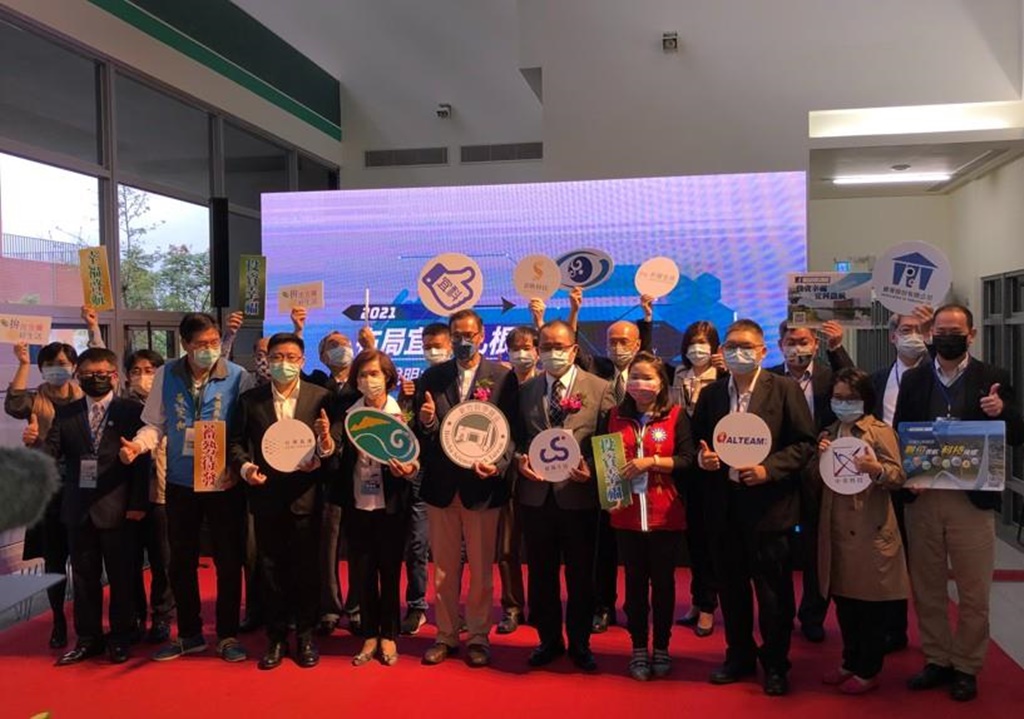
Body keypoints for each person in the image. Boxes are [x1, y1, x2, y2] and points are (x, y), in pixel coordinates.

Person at [895, 304, 1024, 702]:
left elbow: (1018, 433)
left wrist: (1003, 412)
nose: (947, 337)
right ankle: (937, 658)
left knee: (973, 590)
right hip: (925, 497)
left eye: (956, 331)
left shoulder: (993, 378)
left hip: (972, 499)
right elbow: (901, 432)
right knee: (927, 587)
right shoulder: (915, 379)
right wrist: (908, 476)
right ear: (931, 334)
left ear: (971, 335)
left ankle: (967, 665)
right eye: (941, 330)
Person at [119, 312, 254, 663]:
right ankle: (190, 634)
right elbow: (155, 424)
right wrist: (138, 446)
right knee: (180, 561)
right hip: (180, 482)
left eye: (214, 342)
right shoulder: (167, 375)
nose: (209, 349)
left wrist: (238, 467)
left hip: (223, 482)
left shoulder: (238, 376)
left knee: (228, 560)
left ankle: (227, 635)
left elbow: (246, 431)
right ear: (184, 344)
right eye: (201, 344)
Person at [692, 318, 815, 696]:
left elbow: (805, 443)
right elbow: (697, 441)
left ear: (763, 351)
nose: (738, 353)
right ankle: (739, 656)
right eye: (731, 347)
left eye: (746, 346)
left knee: (774, 593)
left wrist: (769, 469)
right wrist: (703, 459)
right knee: (732, 589)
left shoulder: (784, 389)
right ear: (722, 352)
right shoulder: (712, 394)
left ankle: (776, 663)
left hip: (770, 508)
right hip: (724, 507)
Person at [413, 310, 518, 668]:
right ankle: (445, 634)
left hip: (482, 487)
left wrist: (499, 465)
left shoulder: (502, 377)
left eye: (468, 335)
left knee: (481, 570)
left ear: (482, 335)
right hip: (442, 487)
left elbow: (511, 433)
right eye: (456, 335)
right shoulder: (432, 377)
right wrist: (427, 422)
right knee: (443, 569)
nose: (462, 341)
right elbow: (423, 434)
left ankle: (477, 636)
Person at [229, 332, 336, 670]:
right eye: (276, 357)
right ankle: (276, 638)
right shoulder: (251, 400)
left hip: (306, 496)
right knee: (270, 569)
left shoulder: (321, 397)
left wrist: (322, 451)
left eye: (290, 357)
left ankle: (305, 636)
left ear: (302, 361)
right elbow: (236, 443)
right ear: (266, 360)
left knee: (307, 569)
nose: (283, 363)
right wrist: (245, 468)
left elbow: (334, 445)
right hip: (266, 495)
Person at [516, 320, 614, 672]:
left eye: (559, 347)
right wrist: (520, 460)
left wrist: (594, 472)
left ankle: (580, 643)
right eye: (545, 347)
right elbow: (517, 438)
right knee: (541, 575)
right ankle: (548, 640)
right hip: (536, 496)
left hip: (579, 497)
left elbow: (608, 442)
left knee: (580, 576)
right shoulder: (526, 389)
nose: (552, 353)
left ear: (574, 350)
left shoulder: (600, 389)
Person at [45, 348, 151, 666]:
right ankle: (88, 639)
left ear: (114, 375)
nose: (95, 379)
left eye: (102, 373)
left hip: (119, 507)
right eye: (88, 374)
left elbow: (141, 463)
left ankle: (120, 637)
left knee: (122, 577)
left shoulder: (132, 411)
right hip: (78, 509)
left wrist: (137, 504)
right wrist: (34, 443)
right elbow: (51, 453)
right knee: (83, 578)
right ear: (78, 376)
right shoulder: (66, 412)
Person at [813, 368, 909, 694]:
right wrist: (819, 456)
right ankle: (849, 660)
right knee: (845, 603)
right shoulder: (829, 431)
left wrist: (876, 469)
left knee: (870, 607)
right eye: (838, 397)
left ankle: (868, 669)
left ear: (865, 399)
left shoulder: (879, 431)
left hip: (870, 526)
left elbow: (898, 476)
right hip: (836, 528)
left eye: (851, 398)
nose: (843, 403)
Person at [607, 351, 694, 681]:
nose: (640, 384)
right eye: (634, 377)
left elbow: (688, 460)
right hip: (626, 515)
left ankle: (662, 647)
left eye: (647, 378)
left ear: (661, 383)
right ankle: (638, 649)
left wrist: (652, 463)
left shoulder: (676, 416)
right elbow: (606, 460)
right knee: (634, 586)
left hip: (664, 514)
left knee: (663, 586)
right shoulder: (615, 416)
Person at [330, 349, 419, 665]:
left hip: (392, 504)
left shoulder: (403, 411)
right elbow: (336, 453)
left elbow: (417, 455)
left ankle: (389, 635)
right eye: (363, 375)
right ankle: (369, 634)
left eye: (375, 374)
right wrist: (328, 445)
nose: (369, 380)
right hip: (357, 504)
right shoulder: (348, 413)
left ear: (388, 378)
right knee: (363, 572)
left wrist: (409, 469)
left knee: (390, 571)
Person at [573, 290, 654, 634]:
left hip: (644, 464)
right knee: (605, 543)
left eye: (624, 341)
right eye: (612, 341)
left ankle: (639, 606)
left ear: (637, 345)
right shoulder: (599, 369)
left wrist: (647, 319)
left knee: (641, 545)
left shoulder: (648, 374)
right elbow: (574, 351)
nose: (617, 347)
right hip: (606, 461)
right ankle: (603, 605)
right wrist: (574, 312)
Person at [767, 320, 853, 644]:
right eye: (791, 342)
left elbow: (855, 390)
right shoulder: (769, 379)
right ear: (780, 345)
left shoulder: (830, 379)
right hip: (780, 471)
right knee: (780, 548)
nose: (797, 348)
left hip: (820, 471)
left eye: (804, 341)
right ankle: (781, 613)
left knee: (818, 547)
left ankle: (813, 615)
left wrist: (837, 348)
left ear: (815, 344)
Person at [8, 340, 82, 649]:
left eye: (63, 363)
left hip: (81, 486)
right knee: (54, 559)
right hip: (49, 489)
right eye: (50, 364)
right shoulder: (35, 400)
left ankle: (86, 621)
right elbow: (14, 404)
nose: (57, 369)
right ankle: (58, 619)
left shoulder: (85, 398)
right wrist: (23, 363)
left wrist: (94, 330)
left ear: (74, 367)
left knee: (84, 557)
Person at [870, 306, 933, 654]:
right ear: (892, 336)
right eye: (907, 330)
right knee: (888, 556)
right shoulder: (878, 379)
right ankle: (893, 628)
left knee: (924, 561)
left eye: (922, 329)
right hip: (885, 478)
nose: (914, 336)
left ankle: (934, 638)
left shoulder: (937, 376)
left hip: (928, 480)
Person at [669, 320, 726, 637]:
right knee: (692, 541)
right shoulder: (678, 374)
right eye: (692, 343)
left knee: (710, 539)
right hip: (683, 465)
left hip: (712, 466)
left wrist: (726, 371)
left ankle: (708, 605)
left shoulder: (723, 377)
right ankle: (696, 600)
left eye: (703, 343)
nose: (697, 349)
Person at [400, 322, 453, 635]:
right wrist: (406, 401)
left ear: (449, 346)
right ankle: (417, 605)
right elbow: (406, 428)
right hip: (422, 473)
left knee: (456, 550)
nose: (432, 351)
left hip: (456, 474)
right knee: (417, 543)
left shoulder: (465, 383)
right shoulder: (416, 385)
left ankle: (454, 611)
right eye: (427, 346)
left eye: (438, 346)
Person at [124, 349, 175, 645]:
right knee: (129, 561)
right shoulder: (121, 409)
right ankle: (134, 616)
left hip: (161, 494)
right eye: (136, 370)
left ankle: (162, 615)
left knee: (162, 561)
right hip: (128, 497)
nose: (143, 376)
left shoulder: (171, 405)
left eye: (150, 370)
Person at [494, 324, 538, 634]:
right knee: (507, 549)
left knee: (539, 549)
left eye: (527, 347)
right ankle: (512, 607)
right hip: (508, 475)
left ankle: (540, 605)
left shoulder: (548, 384)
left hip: (541, 475)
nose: (521, 353)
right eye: (515, 348)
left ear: (537, 350)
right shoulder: (500, 384)